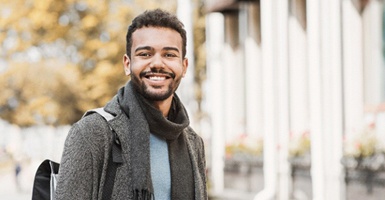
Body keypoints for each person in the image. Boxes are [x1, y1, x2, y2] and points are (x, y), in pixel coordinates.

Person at [55, 9, 207, 200]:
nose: (157, 63)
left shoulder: (193, 143)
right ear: (127, 64)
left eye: (169, 55)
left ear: (184, 66)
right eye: (145, 54)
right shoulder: (91, 133)